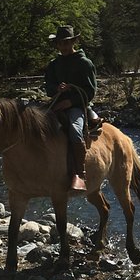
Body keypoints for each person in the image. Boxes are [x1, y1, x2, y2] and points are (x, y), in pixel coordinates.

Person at [45, 25, 101, 192]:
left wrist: (70, 102)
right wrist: (57, 89)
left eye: (67, 42)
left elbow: (90, 91)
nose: (63, 46)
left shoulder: (85, 63)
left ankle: (80, 173)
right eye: (60, 43)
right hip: (56, 105)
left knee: (75, 132)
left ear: (74, 42)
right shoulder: (54, 64)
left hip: (77, 106)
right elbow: (48, 86)